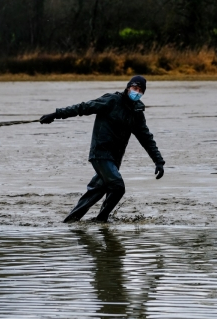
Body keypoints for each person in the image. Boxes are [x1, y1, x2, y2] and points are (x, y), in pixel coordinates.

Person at [40, 75, 165, 223]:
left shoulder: (137, 112)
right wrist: (56, 114)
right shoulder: (111, 100)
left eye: (140, 90)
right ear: (128, 87)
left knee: (96, 191)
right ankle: (101, 220)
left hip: (115, 158)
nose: (136, 92)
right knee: (118, 187)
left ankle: (69, 222)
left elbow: (146, 138)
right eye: (134, 88)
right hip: (100, 154)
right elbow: (83, 107)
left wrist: (158, 161)